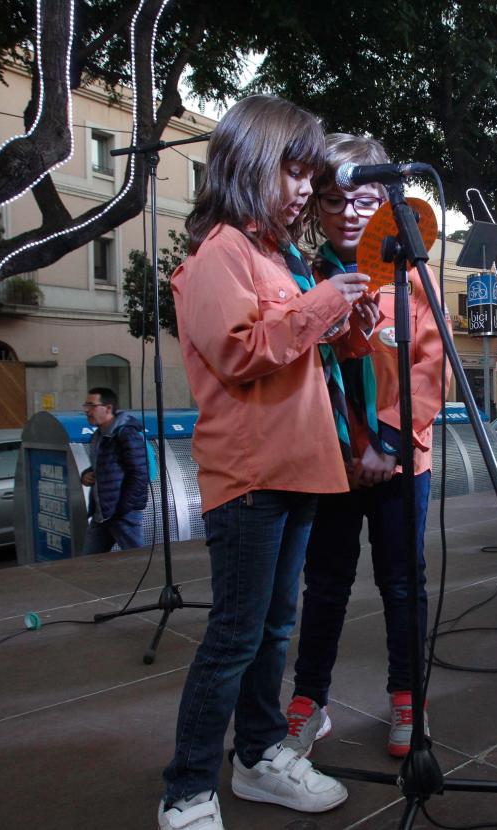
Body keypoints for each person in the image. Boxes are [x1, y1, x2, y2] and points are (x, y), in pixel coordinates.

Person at [159, 97, 373, 830]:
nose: (306, 188)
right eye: (294, 170)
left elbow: (301, 352)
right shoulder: (221, 250)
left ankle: (255, 759)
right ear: (251, 162)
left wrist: (346, 326)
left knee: (274, 628)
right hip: (250, 478)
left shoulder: (283, 256)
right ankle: (186, 790)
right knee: (235, 635)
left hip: (299, 470)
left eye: (311, 173)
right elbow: (240, 353)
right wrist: (318, 307)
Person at [281, 133, 450, 761]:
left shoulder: (411, 274)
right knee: (323, 584)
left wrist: (387, 443)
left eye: (364, 198)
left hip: (402, 459)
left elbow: (429, 368)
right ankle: (308, 702)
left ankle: (408, 698)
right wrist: (347, 447)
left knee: (403, 583)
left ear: (386, 202)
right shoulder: (302, 275)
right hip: (331, 460)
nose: (348, 212)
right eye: (333, 199)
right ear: (314, 207)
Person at [80, 386, 148, 554]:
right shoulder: (99, 435)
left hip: (121, 513)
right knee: (89, 562)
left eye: (91, 406)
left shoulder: (126, 433)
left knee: (138, 560)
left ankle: (152, 581)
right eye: (86, 406)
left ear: (108, 408)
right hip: (103, 512)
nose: (87, 411)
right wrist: (86, 475)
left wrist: (124, 508)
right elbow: (102, 465)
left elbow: (139, 473)